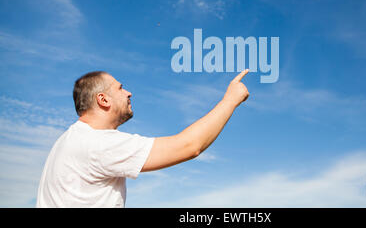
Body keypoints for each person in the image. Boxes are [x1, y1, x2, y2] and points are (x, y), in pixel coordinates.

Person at [36, 70, 249, 207]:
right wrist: (230, 100)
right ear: (103, 99)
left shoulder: (69, 140)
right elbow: (189, 146)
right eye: (120, 88)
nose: (128, 92)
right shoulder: (97, 143)